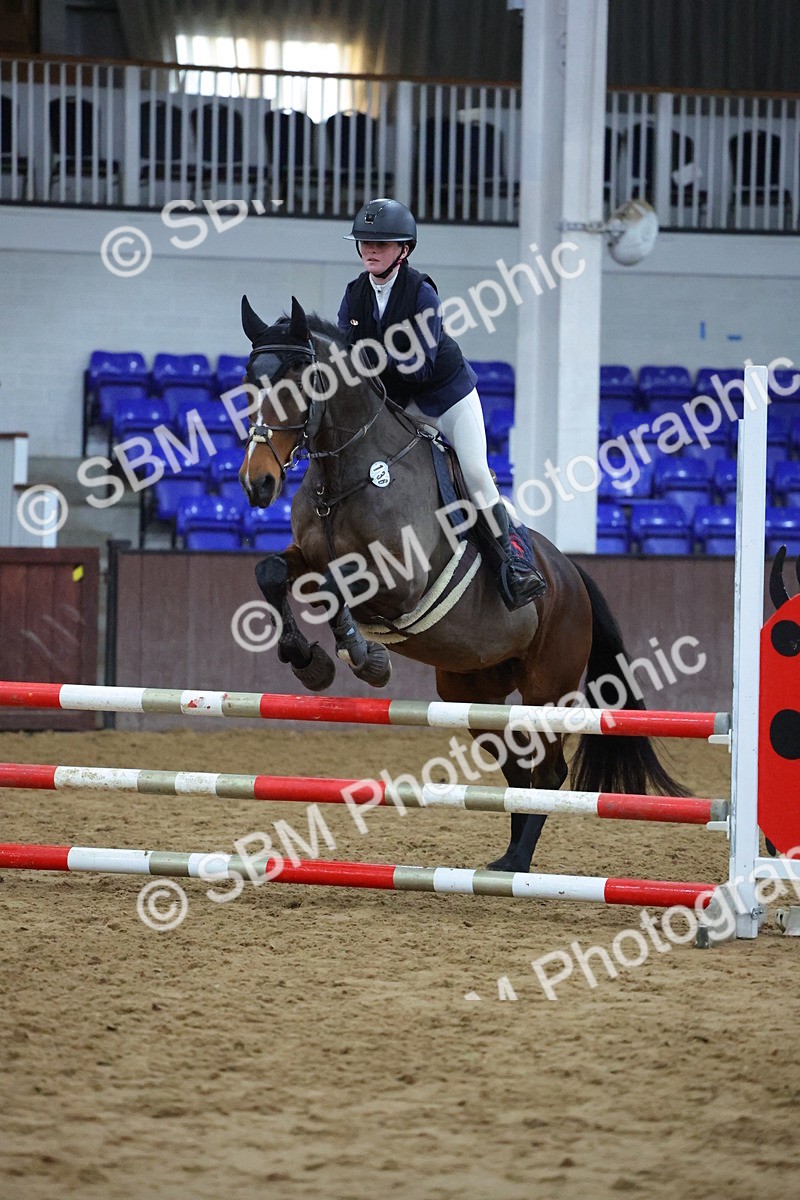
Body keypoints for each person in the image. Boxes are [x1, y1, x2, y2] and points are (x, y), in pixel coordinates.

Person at [337, 197, 547, 609]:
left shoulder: (421, 293)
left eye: (381, 243)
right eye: (364, 242)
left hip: (445, 398)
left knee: (474, 474)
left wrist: (367, 361)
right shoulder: (354, 294)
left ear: (404, 250)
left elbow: (418, 366)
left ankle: (516, 562)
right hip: (398, 404)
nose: (370, 250)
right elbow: (347, 358)